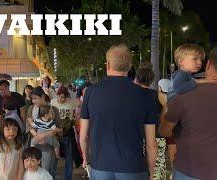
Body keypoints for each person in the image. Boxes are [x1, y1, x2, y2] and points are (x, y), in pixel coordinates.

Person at [80, 44, 158, 180]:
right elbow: (151, 144)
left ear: (108, 65)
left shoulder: (90, 92)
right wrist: (151, 172)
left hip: (100, 167)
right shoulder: (147, 96)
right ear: (129, 66)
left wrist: (85, 157)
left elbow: (83, 136)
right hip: (133, 168)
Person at [160, 47, 217, 180]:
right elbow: (179, 88)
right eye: (195, 59)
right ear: (181, 61)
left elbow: (164, 131)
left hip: (189, 170)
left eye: (201, 60)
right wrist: (202, 81)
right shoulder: (181, 75)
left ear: (208, 64)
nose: (199, 63)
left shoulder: (187, 89)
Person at [26, 86, 61, 178]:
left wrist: (43, 136)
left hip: (49, 145)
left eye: (36, 98)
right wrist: (38, 136)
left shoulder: (53, 110)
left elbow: (57, 128)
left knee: (49, 172)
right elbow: (29, 126)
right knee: (34, 171)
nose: (34, 101)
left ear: (42, 96)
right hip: (36, 144)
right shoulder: (31, 108)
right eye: (32, 99)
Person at [51, 86, 80, 180]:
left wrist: (76, 119)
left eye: (64, 97)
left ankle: (68, 178)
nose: (62, 99)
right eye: (60, 97)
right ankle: (51, 177)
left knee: (69, 158)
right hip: (55, 133)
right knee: (55, 157)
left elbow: (81, 105)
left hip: (68, 133)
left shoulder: (71, 102)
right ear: (57, 95)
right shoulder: (52, 102)